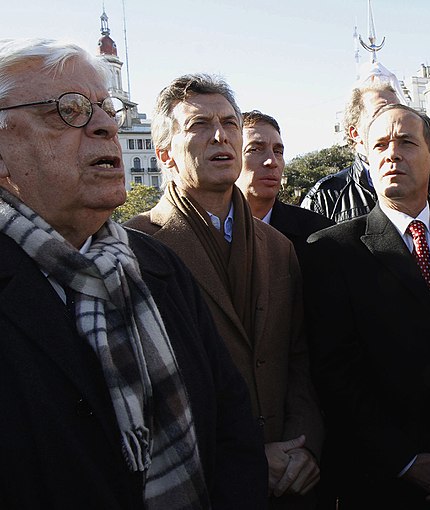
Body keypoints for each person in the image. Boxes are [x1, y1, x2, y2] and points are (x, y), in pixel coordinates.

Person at [0, 39, 267, 507]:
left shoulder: (157, 267)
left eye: (106, 110)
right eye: (69, 110)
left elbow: (230, 424)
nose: (104, 126)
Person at [126, 74, 323, 508]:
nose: (220, 135)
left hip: (291, 478)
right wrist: (246, 458)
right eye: (199, 125)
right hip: (199, 483)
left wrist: (305, 444)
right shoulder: (134, 248)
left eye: (230, 123)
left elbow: (297, 357)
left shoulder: (278, 246)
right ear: (164, 154)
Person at [302, 104, 430, 509]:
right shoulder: (331, 251)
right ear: (368, 159)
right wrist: (404, 460)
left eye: (406, 142)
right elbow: (334, 372)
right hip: (385, 479)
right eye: (380, 145)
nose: (392, 153)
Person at [300, 82, 430, 222]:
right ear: (355, 133)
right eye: (380, 113)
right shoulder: (325, 197)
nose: (392, 117)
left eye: (397, 109)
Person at [235, 110, 333, 259]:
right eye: (255, 149)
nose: (272, 161)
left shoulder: (320, 235)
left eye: (278, 151)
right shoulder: (205, 231)